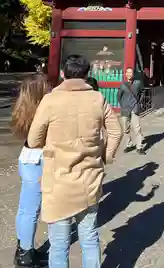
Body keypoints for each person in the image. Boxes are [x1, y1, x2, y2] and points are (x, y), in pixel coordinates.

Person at [27, 54, 123, 268]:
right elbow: (116, 131)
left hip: (58, 181)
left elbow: (33, 140)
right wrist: (106, 156)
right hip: (89, 178)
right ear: (88, 75)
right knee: (89, 237)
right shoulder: (97, 98)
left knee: (59, 243)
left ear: (63, 73)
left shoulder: (51, 100)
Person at [11, 73, 51, 268]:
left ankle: (23, 247)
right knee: (31, 210)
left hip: (26, 158)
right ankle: (25, 255)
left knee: (25, 207)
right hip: (37, 160)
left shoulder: (23, 110)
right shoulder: (41, 113)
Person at [118, 67, 146, 155]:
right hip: (125, 109)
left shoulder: (138, 83)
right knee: (126, 129)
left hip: (134, 108)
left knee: (137, 128)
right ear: (125, 74)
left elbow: (142, 92)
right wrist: (123, 105)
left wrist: (139, 102)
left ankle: (139, 147)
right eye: (128, 72)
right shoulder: (122, 85)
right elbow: (119, 96)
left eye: (131, 72)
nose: (129, 74)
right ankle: (129, 144)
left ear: (133, 74)